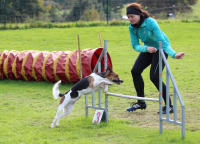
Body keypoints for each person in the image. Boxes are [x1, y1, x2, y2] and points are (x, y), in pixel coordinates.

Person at [126, 3, 185, 114]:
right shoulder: (131, 27)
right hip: (149, 49)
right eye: (128, 17)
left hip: (161, 48)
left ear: (138, 14)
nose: (130, 19)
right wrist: (146, 48)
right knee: (135, 71)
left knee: (154, 76)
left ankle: (169, 106)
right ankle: (141, 102)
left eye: (132, 16)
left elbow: (163, 41)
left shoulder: (151, 23)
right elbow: (135, 45)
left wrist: (174, 54)